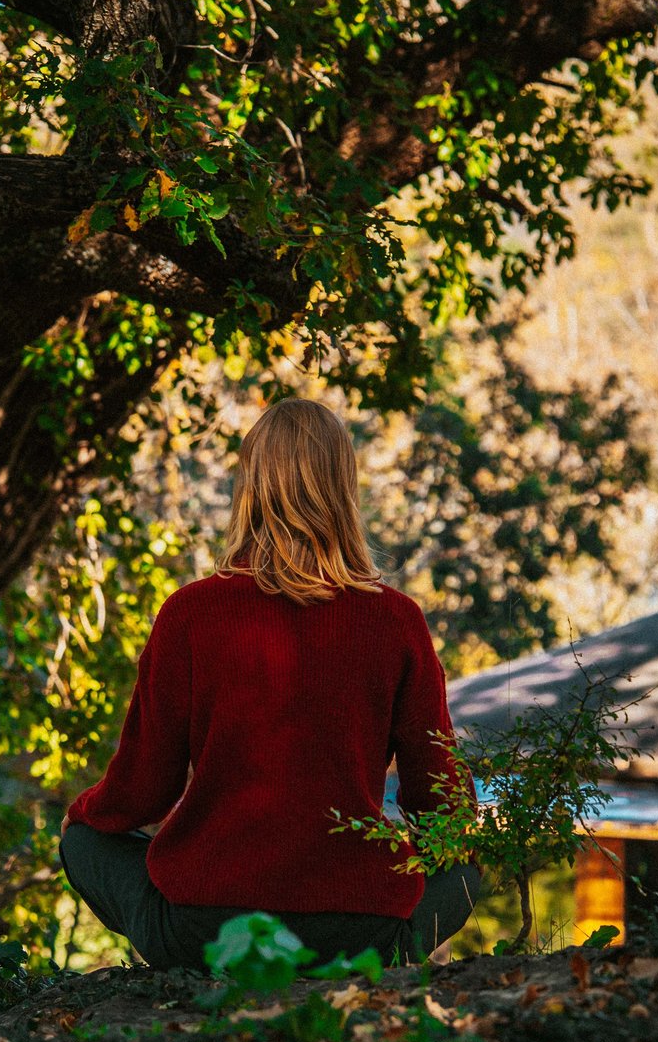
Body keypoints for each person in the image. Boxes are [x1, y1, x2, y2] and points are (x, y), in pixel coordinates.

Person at [60, 397, 481, 970]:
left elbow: (141, 790)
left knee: (83, 841)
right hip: (358, 935)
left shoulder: (189, 614)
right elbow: (442, 806)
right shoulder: (396, 619)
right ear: (344, 489)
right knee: (464, 865)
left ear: (249, 486)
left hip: (204, 930)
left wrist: (83, 814)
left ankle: (212, 969)